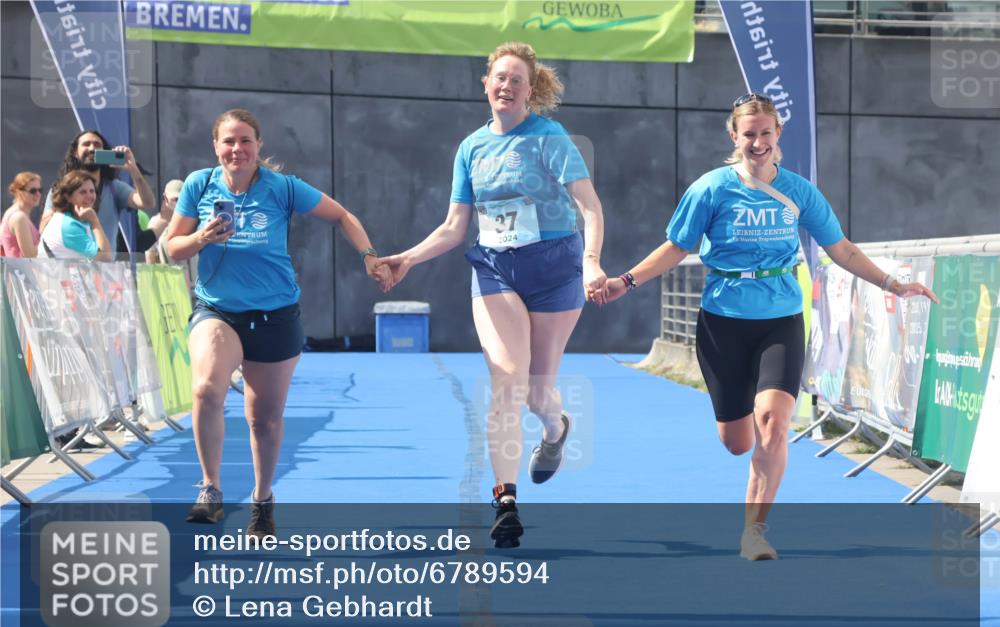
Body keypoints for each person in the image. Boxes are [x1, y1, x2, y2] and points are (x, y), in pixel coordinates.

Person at [601, 92, 938, 560]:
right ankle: (740, 451)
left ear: (778, 134)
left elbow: (840, 248)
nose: (757, 142)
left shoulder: (799, 192)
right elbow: (677, 247)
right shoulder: (711, 189)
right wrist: (626, 280)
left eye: (765, 133)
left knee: (774, 423)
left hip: (780, 318)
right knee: (737, 442)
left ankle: (754, 532)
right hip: (723, 322)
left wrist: (891, 282)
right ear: (733, 137)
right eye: (748, 134)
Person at [376, 43, 608, 548]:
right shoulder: (471, 148)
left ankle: (555, 428)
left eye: (517, 80)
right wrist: (408, 258)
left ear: (530, 90)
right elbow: (455, 226)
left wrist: (591, 262)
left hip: (554, 270)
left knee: (536, 394)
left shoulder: (548, 137)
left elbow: (590, 207)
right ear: (485, 83)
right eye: (499, 78)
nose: (506, 86)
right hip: (495, 269)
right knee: (506, 382)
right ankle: (505, 501)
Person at [165, 108, 390, 537]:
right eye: (229, 141)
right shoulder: (199, 184)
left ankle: (262, 498)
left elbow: (343, 215)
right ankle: (210, 487)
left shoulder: (283, 188)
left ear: (259, 146)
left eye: (245, 140)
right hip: (219, 310)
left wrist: (369, 256)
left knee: (263, 421)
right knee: (206, 388)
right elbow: (171, 247)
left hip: (275, 315)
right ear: (216, 146)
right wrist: (200, 239)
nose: (237, 149)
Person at [41, 130, 155, 255]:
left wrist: (134, 170)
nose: (92, 148)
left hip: (104, 268)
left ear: (104, 151)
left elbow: (148, 203)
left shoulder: (114, 188)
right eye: (86, 144)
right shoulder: (61, 189)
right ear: (75, 152)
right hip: (69, 268)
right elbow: (44, 228)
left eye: (97, 145)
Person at [38, 170, 113, 261]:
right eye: (83, 192)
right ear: (68, 197)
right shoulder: (69, 225)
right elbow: (106, 258)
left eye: (92, 191)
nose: (89, 196)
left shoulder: (76, 219)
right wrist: (95, 222)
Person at [1, 172, 43, 257]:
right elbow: (29, 255)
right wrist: (47, 239)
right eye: (33, 191)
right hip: (19, 269)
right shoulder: (19, 217)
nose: (38, 194)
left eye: (40, 190)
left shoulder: (18, 215)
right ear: (19, 192)